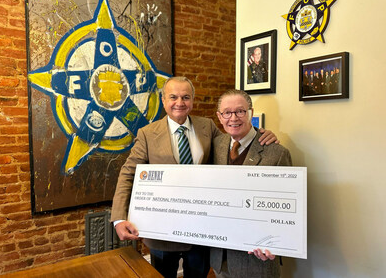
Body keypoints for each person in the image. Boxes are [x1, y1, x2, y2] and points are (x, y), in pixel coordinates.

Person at [110, 77, 278, 278]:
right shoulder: (147, 134)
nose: (179, 103)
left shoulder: (206, 126)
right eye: (173, 97)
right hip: (163, 232)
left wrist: (261, 135)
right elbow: (128, 173)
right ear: (163, 100)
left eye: (185, 97)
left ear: (192, 100)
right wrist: (119, 218)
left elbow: (234, 139)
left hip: (201, 233)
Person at [210, 89, 292, 278]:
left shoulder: (277, 153)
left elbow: (287, 207)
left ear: (251, 113)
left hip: (257, 261)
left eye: (240, 111)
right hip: (220, 258)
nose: (233, 118)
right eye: (227, 113)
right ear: (219, 117)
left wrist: (275, 244)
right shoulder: (216, 145)